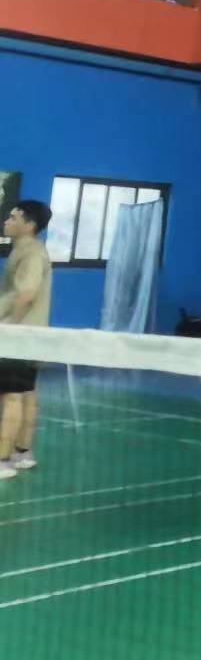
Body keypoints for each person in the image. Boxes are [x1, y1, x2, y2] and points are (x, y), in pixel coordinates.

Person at [0, 201, 53, 478]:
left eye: (13, 217)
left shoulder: (32, 253)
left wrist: (9, 327)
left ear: (29, 225)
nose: (6, 221)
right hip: (29, 335)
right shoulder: (24, 250)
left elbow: (27, 293)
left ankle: (2, 461)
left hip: (19, 336)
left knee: (10, 396)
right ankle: (23, 454)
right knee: (26, 393)